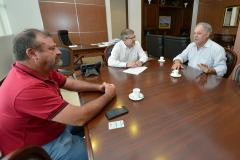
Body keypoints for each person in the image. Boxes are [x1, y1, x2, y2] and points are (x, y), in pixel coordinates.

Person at [0, 29, 116, 160]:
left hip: (49, 126)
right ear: (32, 53)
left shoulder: (39, 69)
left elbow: (67, 82)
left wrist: (99, 87)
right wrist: (108, 95)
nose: (59, 52)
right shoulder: (25, 88)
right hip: (36, 148)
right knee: (103, 152)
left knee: (101, 124)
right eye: (52, 48)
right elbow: (79, 117)